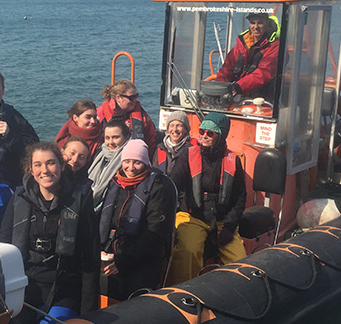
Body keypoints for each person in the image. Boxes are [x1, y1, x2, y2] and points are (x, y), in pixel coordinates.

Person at [0, 142, 100, 324]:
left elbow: (91, 259)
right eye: (38, 165)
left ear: (61, 165)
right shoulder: (18, 198)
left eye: (51, 163)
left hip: (64, 290)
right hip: (25, 288)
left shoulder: (80, 200)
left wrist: (90, 313)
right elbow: (2, 242)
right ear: (30, 169)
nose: (45, 170)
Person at [167, 113, 247, 285]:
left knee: (240, 261)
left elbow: (240, 197)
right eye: (202, 131)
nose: (204, 136)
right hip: (192, 217)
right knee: (188, 252)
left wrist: (229, 226)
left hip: (222, 221)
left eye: (210, 133)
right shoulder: (187, 155)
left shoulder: (234, 161)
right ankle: (182, 294)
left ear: (221, 135)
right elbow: (171, 186)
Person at [98, 139, 177, 301]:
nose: (131, 168)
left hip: (142, 258)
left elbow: (155, 233)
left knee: (134, 295)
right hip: (112, 252)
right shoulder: (115, 184)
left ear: (146, 162)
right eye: (126, 162)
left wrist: (122, 260)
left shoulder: (158, 187)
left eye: (137, 162)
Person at [214, 13, 280, 100]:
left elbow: (264, 73)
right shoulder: (242, 43)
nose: (256, 27)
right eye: (253, 23)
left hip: (264, 98)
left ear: (266, 23)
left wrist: (238, 87)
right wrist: (219, 87)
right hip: (240, 95)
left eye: (260, 23)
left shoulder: (275, 46)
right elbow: (227, 68)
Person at [96, 80, 157, 156]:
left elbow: (151, 137)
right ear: (118, 97)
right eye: (131, 98)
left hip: (134, 157)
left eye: (136, 96)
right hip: (108, 156)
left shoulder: (141, 114)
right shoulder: (100, 113)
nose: (134, 100)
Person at [87, 119, 131, 211]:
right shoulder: (100, 154)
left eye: (115, 137)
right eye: (107, 138)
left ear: (126, 137)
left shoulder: (130, 161)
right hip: (91, 207)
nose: (110, 142)